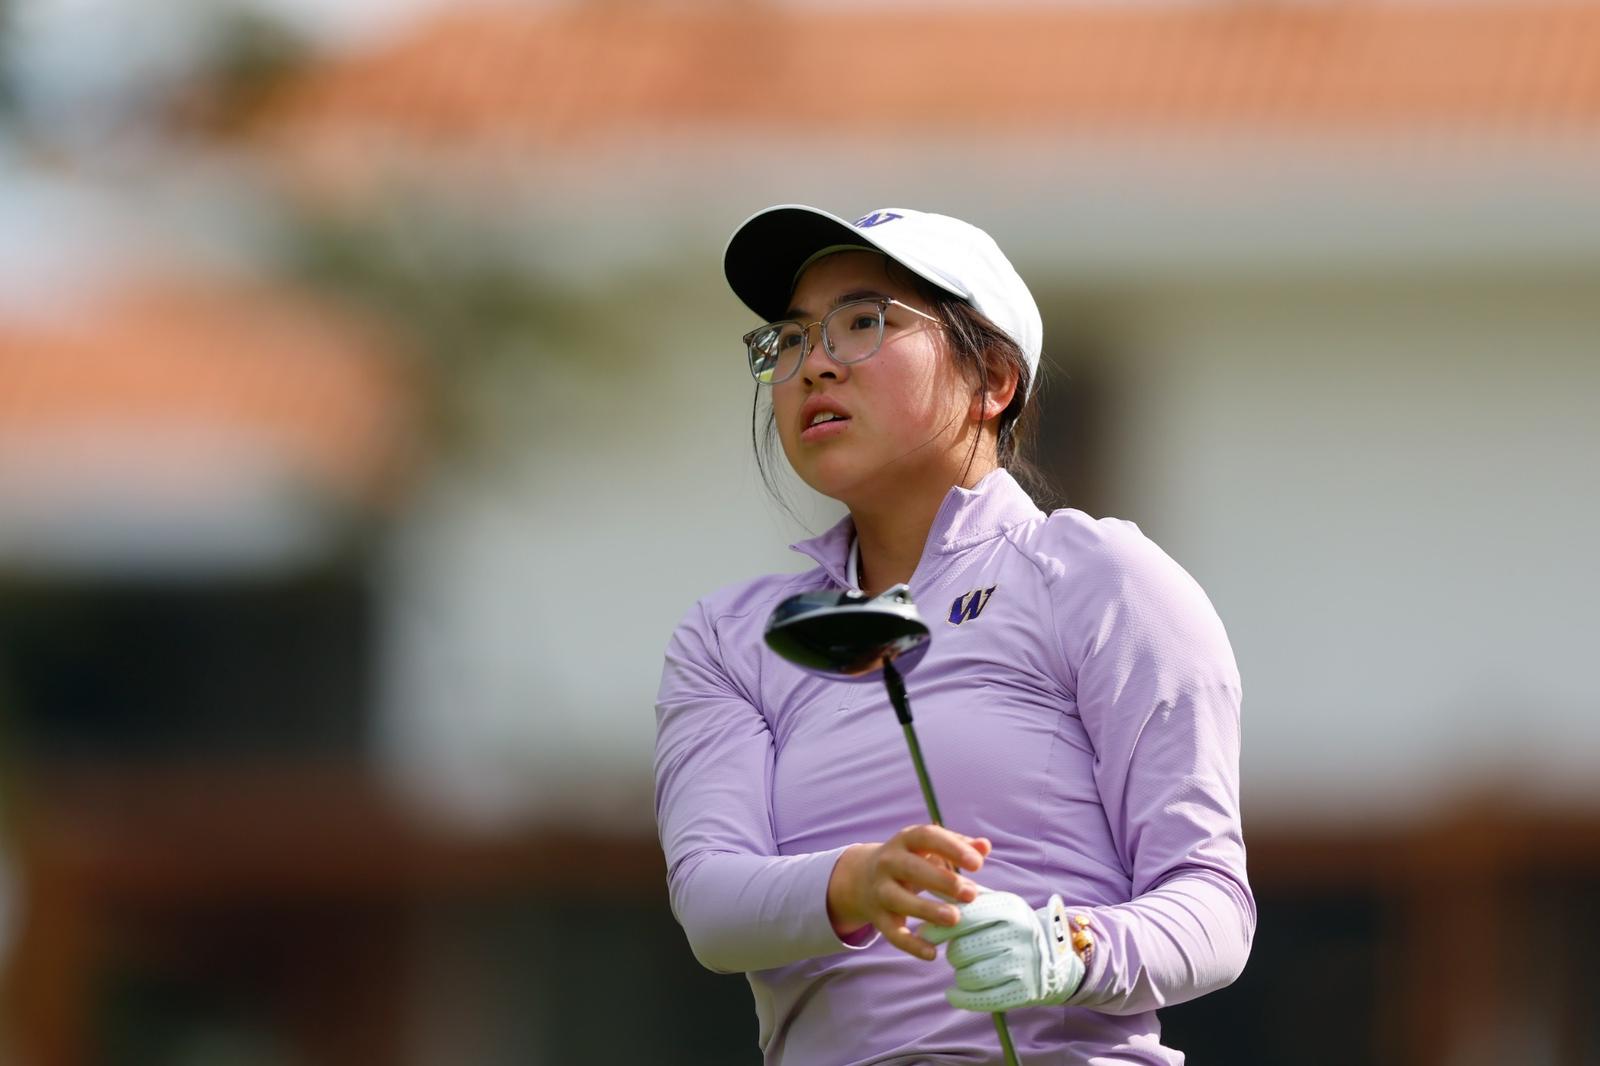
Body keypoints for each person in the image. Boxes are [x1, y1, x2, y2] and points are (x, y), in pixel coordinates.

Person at [654, 204, 1253, 1065]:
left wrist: (1065, 948)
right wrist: (857, 881)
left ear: (994, 380)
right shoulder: (734, 637)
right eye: (787, 340)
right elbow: (713, 906)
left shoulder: (1098, 578)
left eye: (863, 323)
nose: (813, 363)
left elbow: (1211, 905)